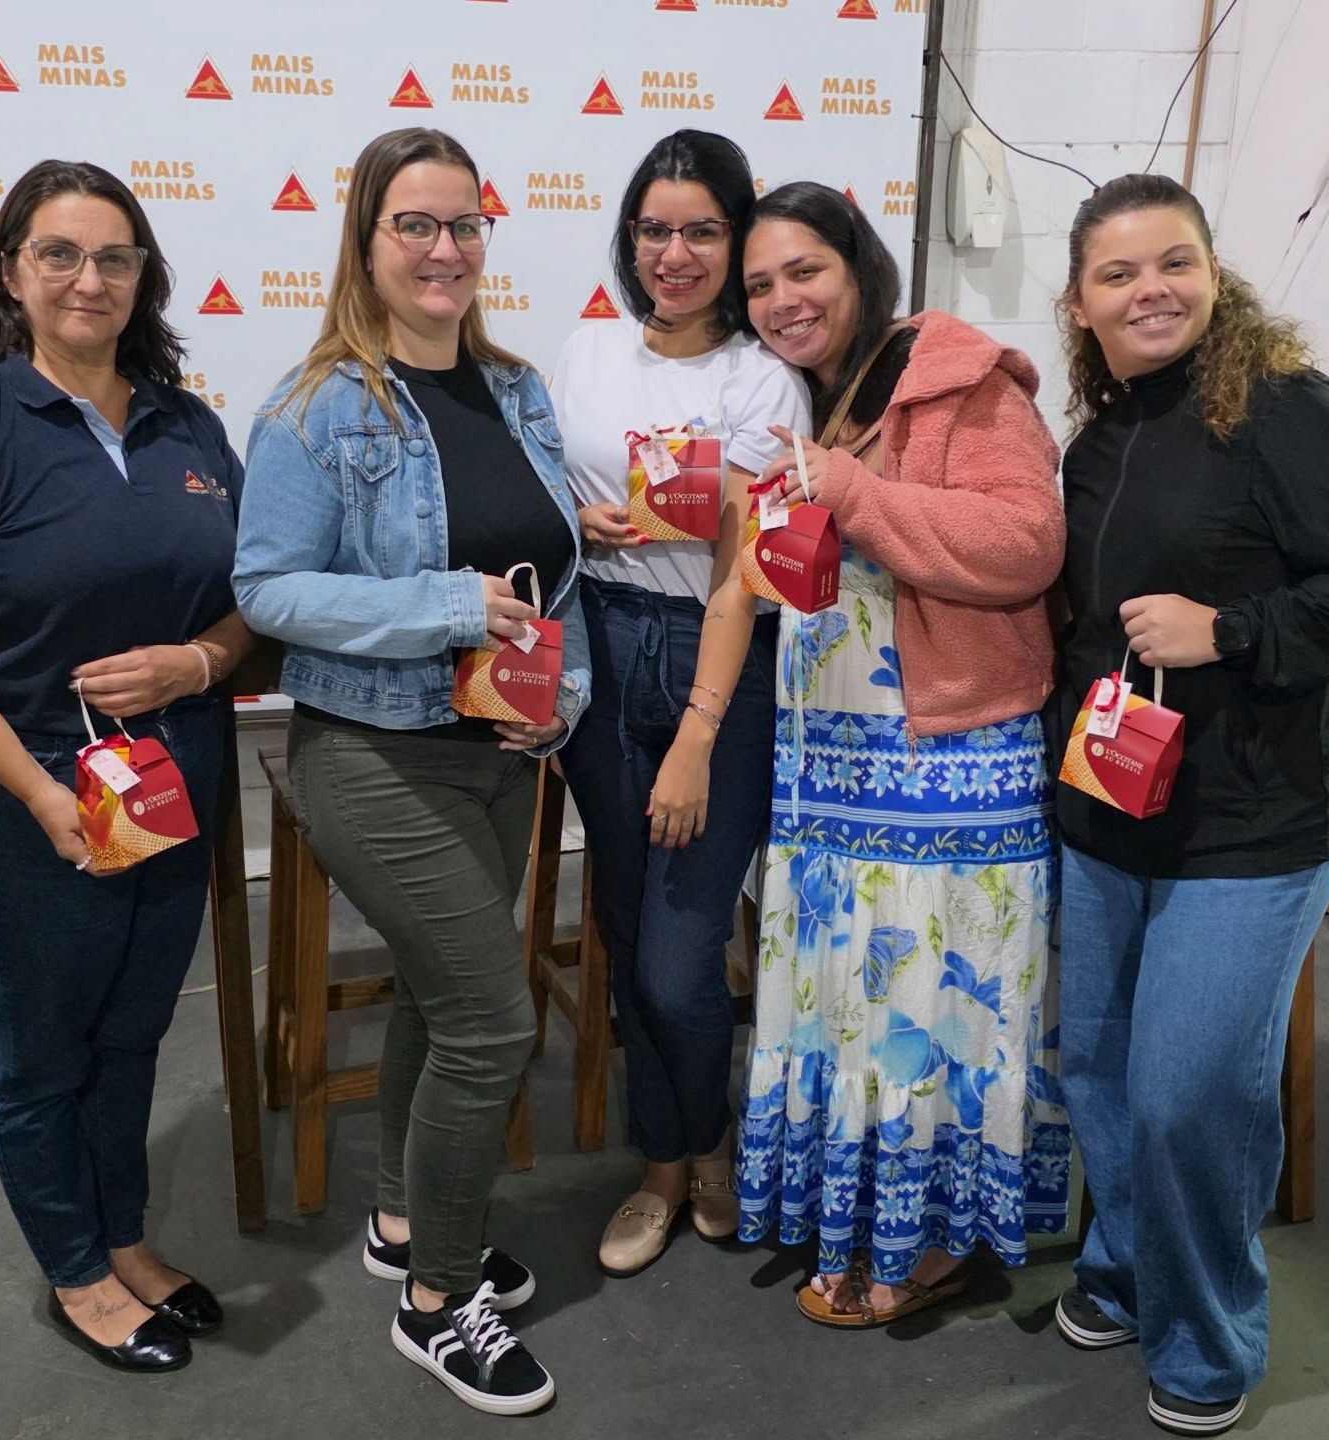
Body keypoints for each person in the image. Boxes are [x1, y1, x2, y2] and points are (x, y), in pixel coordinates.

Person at [233, 127, 588, 1418]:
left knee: (447, 1009)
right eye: (415, 226)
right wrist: (442, 605)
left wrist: (563, 702)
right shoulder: (320, 403)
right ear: (367, 243)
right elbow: (266, 587)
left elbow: (558, 573)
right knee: (496, 1022)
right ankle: (437, 1299)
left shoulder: (521, 390)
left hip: (498, 753)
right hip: (372, 753)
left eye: (464, 226)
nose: (445, 250)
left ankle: (398, 1219)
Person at [0, 160, 249, 1372]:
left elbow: (249, 606)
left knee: (136, 1025)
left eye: (113, 257)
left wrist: (196, 665)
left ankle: (123, 1234)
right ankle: (76, 1269)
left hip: (170, 778)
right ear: (11, 271)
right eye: (58, 253)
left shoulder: (185, 420)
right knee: (46, 1040)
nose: (87, 278)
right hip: (23, 788)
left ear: (143, 275)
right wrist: (42, 791)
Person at [733, 182, 1071, 1328]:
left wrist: (856, 493)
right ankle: (859, 1219)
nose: (783, 300)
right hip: (831, 768)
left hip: (950, 764)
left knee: (931, 1003)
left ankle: (930, 1239)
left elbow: (1026, 543)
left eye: (804, 271)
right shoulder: (823, 404)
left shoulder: (953, 374)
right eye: (761, 285)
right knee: (851, 1006)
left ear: (858, 265)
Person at [1050, 173, 1329, 1438]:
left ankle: (1209, 1336)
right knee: (1100, 1071)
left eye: (1173, 263)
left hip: (1249, 830)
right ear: (1079, 303)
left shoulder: (1284, 411)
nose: (1148, 290)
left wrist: (1232, 629)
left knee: (1188, 1094)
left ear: (1216, 275)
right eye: (1118, 274)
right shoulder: (1098, 437)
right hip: (1109, 814)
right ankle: (1123, 1269)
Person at [551, 130, 810, 1277]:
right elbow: (547, 482)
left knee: (677, 954)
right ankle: (669, 1165)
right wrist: (577, 517)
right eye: (656, 228)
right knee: (620, 926)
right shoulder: (585, 353)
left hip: (721, 661)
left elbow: (742, 563)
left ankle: (709, 1134)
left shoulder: (764, 378)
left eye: (702, 229)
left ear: (738, 237)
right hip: (601, 643)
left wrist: (700, 732)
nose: (675, 252)